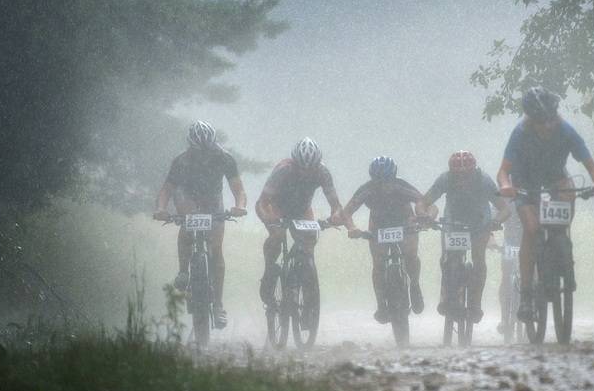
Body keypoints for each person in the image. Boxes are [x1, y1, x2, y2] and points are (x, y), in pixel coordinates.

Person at [496, 86, 594, 321]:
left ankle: (561, 248)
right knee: (531, 229)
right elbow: (503, 172)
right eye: (541, 121)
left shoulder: (566, 130)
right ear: (531, 120)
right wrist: (506, 186)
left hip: (555, 178)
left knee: (568, 193)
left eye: (551, 119)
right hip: (525, 182)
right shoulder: (520, 133)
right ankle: (527, 295)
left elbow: (590, 164)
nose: (548, 126)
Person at [153, 120, 247, 329]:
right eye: (199, 152)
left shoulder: (224, 158)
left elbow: (238, 189)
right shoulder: (181, 161)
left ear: (214, 145)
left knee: (216, 250)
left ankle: (219, 305)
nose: (204, 155)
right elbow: (167, 190)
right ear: (190, 147)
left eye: (208, 150)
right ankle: (183, 270)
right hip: (188, 197)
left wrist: (239, 207)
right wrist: (161, 209)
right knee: (188, 221)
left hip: (213, 199)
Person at [417, 150, 510, 323]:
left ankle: (475, 304)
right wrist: (423, 216)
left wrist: (496, 222)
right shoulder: (445, 179)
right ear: (451, 172)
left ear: (474, 171)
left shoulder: (484, 181)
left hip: (480, 222)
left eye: (466, 175)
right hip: (454, 220)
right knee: (446, 259)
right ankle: (446, 296)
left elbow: (504, 208)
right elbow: (423, 202)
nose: (462, 179)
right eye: (457, 175)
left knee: (478, 259)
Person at [255, 137, 343, 306]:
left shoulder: (323, 172)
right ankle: (269, 270)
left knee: (309, 240)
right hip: (277, 207)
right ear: (295, 163)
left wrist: (335, 217)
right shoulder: (283, 170)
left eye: (311, 169)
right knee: (278, 235)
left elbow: (335, 204)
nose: (306, 172)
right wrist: (268, 219)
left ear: (317, 165)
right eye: (302, 168)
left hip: (302, 210)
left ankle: (305, 280)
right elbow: (262, 202)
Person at [344, 156, 430, 323]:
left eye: (388, 181)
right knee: (378, 263)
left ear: (394, 178)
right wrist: (352, 228)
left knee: (411, 255)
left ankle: (414, 284)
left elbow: (424, 201)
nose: (384, 186)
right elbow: (347, 212)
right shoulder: (367, 189)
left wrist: (423, 216)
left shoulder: (402, 186)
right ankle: (381, 304)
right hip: (379, 225)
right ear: (373, 180)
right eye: (379, 182)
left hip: (404, 222)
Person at [496, 201, 522, 334]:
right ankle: (504, 317)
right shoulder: (505, 200)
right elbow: (492, 217)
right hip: (510, 243)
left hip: (529, 241)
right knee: (506, 277)